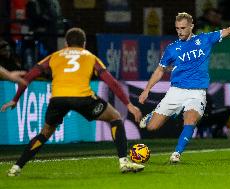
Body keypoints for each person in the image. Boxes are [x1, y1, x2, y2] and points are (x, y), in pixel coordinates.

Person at [1, 27, 144, 176]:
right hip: (83, 98)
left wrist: (15, 99)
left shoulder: (54, 56)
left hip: (58, 100)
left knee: (45, 132)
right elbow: (112, 82)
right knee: (115, 117)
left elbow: (30, 75)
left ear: (66, 44)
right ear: (84, 43)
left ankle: (16, 168)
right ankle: (123, 162)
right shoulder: (90, 57)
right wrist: (129, 105)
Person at [139, 12, 230, 163]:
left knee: (190, 120)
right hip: (176, 91)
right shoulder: (172, 49)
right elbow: (160, 70)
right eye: (177, 28)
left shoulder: (204, 39)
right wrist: (147, 89)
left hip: (197, 93)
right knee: (152, 127)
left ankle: (177, 154)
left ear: (191, 26)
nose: (180, 31)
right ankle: (154, 116)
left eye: (183, 28)